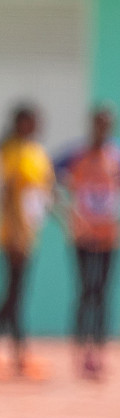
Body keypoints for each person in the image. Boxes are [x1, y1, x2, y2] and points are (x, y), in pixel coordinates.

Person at [0, 104, 54, 381]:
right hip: (11, 235)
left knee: (13, 295)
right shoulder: (10, 150)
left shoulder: (37, 152)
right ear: (19, 122)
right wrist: (15, 235)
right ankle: (15, 354)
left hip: (29, 234)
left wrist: (69, 217)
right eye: (29, 121)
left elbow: (45, 191)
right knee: (13, 295)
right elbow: (7, 194)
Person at [57, 105, 120, 381]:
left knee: (102, 293)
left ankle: (99, 352)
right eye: (98, 122)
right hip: (82, 236)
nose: (102, 127)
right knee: (85, 292)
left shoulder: (115, 156)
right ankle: (80, 351)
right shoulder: (76, 154)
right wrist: (66, 211)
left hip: (108, 236)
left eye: (107, 123)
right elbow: (47, 176)